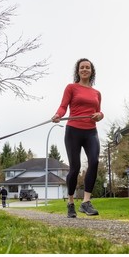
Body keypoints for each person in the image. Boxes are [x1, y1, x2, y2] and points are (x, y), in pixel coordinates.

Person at [52, 58, 103, 218]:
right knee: (75, 168)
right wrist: (58, 115)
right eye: (82, 67)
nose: (85, 69)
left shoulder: (97, 93)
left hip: (91, 132)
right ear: (78, 70)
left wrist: (100, 115)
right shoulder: (71, 87)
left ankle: (86, 202)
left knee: (94, 162)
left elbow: (99, 111)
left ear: (91, 71)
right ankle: (71, 202)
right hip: (73, 130)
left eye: (88, 67)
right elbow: (63, 106)